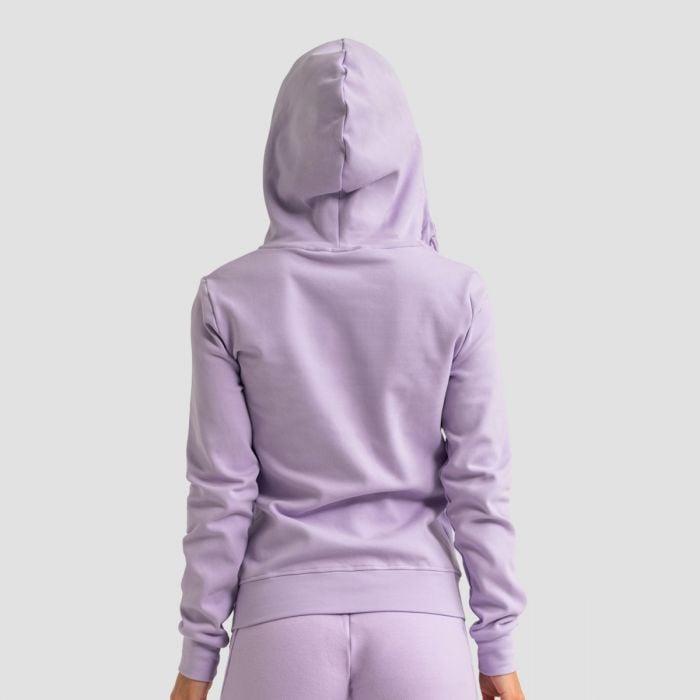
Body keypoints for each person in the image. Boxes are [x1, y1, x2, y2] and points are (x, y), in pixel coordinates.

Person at [170, 37, 527, 700]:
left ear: (281, 146)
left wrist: (197, 660)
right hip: (420, 623)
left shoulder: (228, 297)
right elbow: (478, 481)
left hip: (280, 625)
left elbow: (221, 491)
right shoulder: (456, 293)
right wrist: (498, 647)